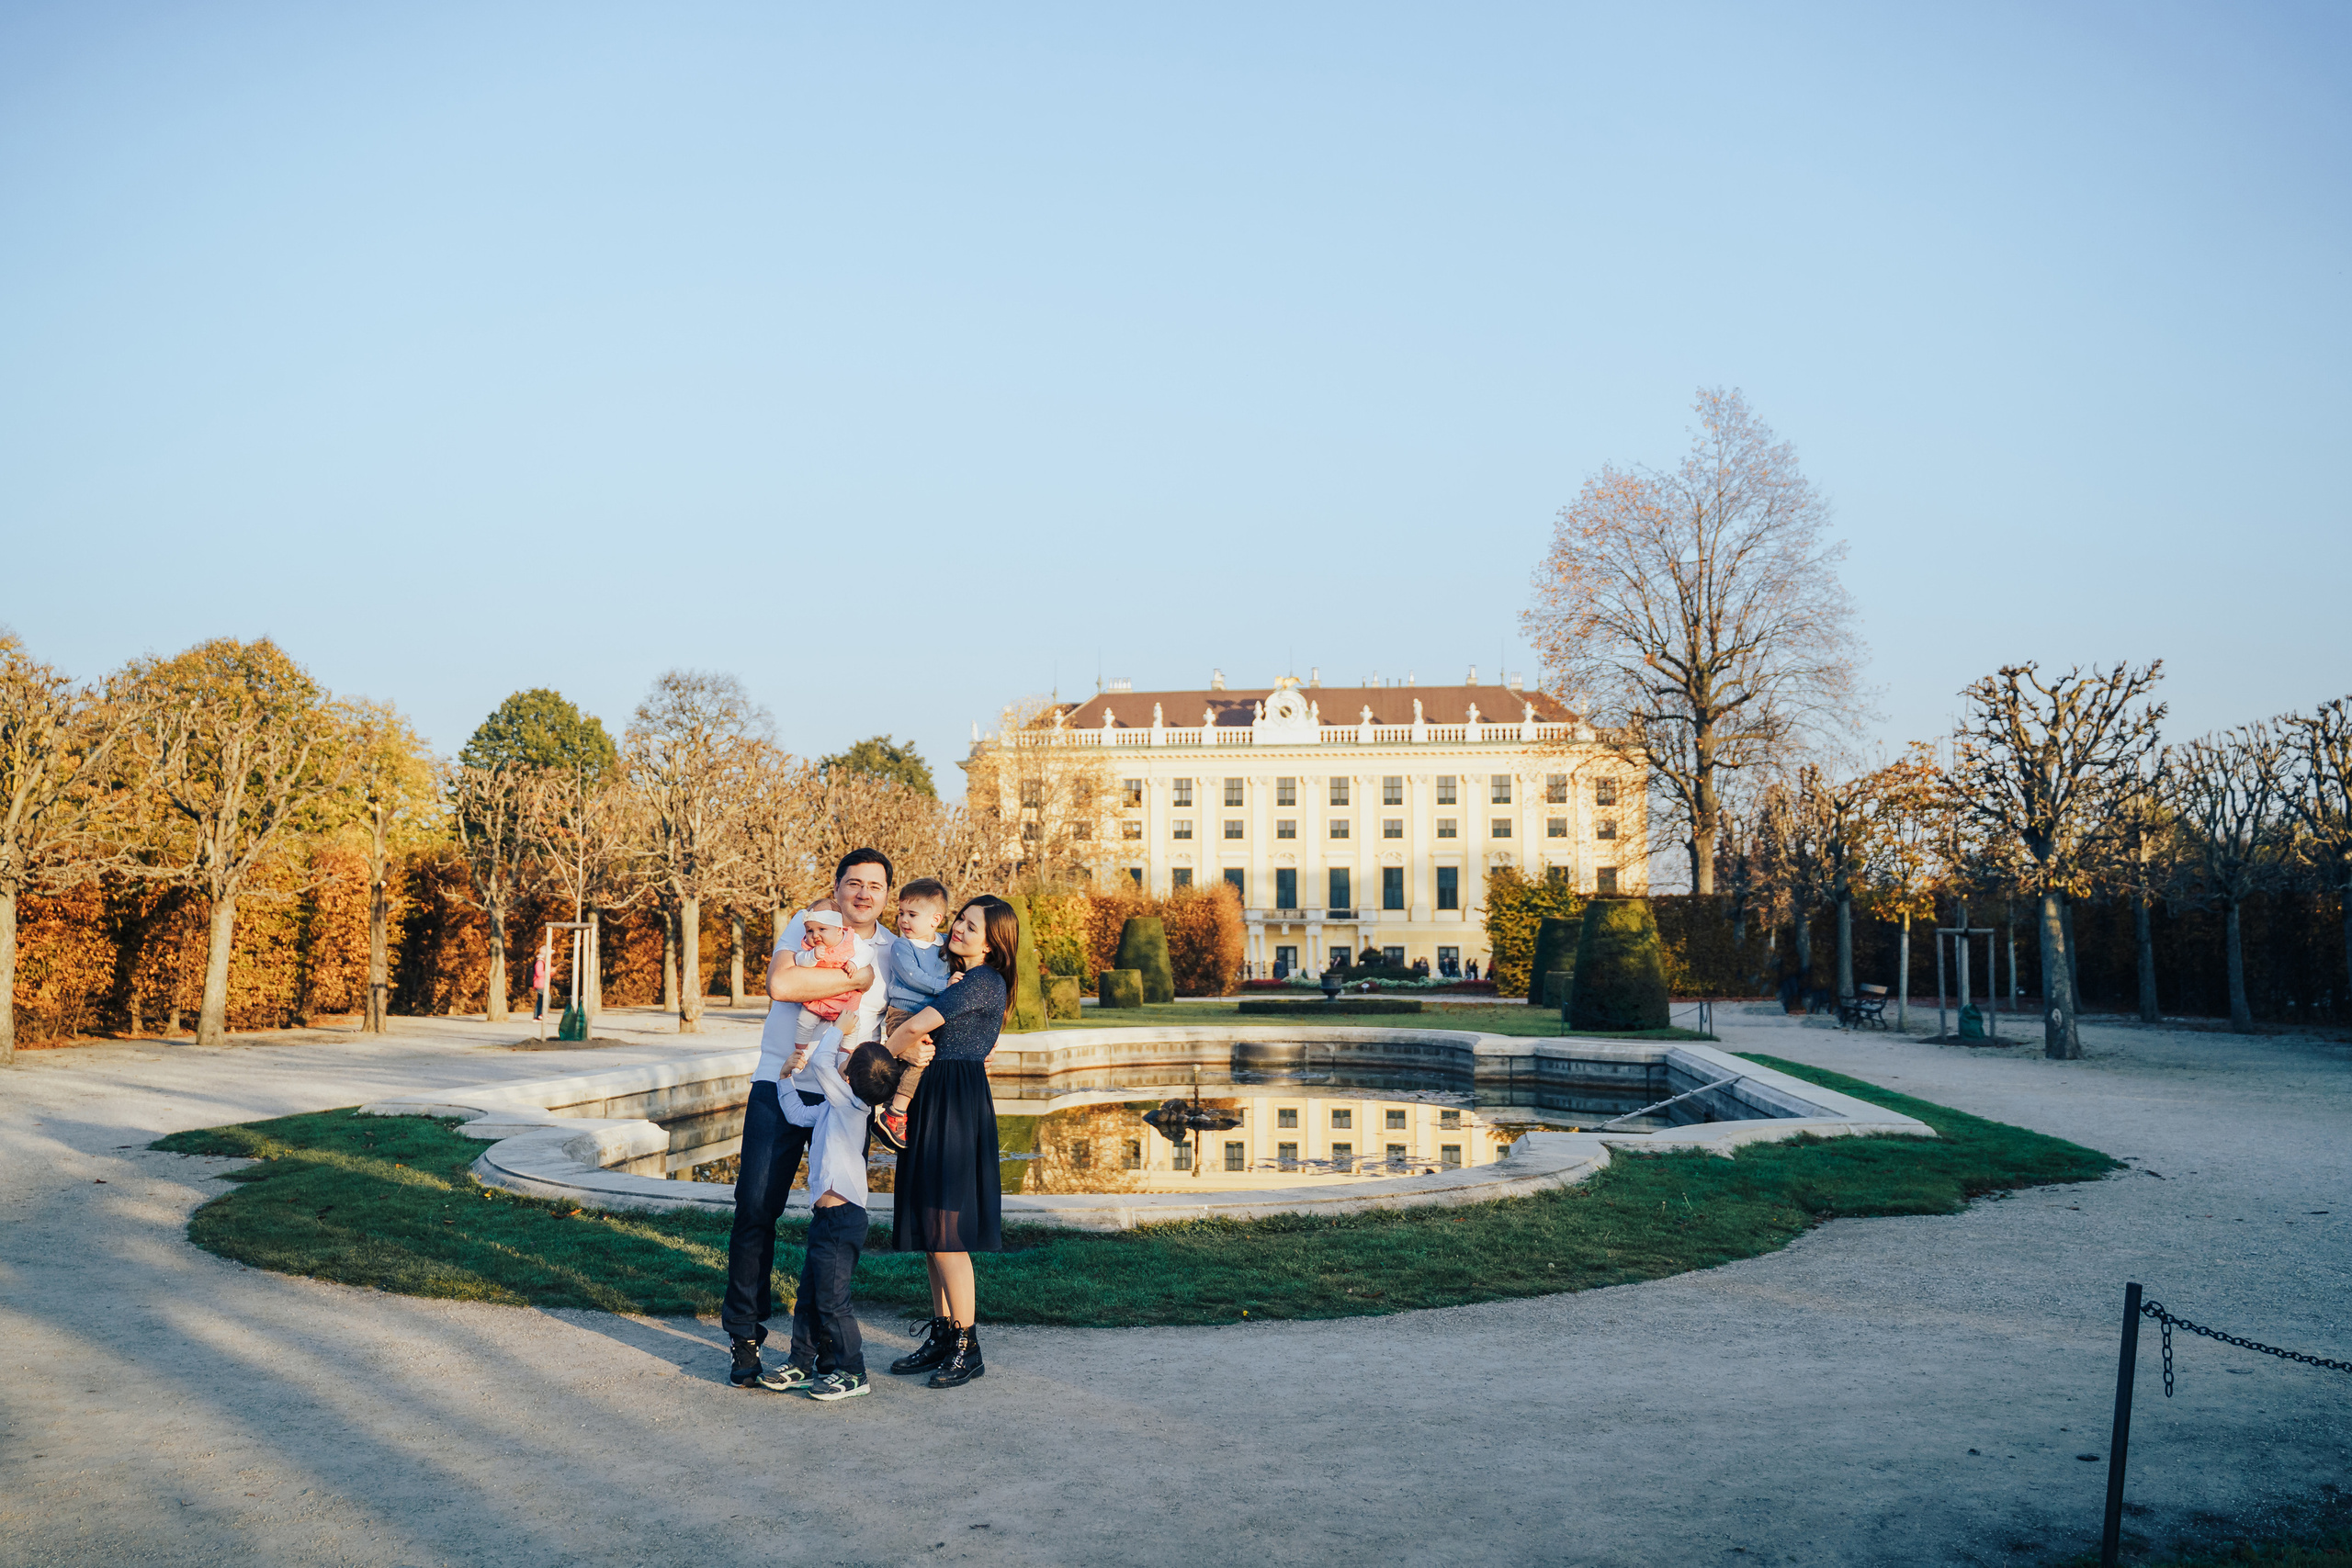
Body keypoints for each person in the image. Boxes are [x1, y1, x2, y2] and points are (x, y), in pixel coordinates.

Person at [722, 848, 895, 1390]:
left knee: (830, 1228)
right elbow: (782, 987)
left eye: (875, 885)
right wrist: (856, 983)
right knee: (754, 1210)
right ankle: (745, 1337)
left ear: (887, 894)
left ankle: (812, 1351)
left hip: (842, 1100)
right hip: (778, 1085)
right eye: (853, 883)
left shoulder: (895, 949)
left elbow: (929, 1004)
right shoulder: (808, 922)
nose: (864, 893)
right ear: (838, 887)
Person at [880, 895, 1015, 1390]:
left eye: (972, 925)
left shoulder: (982, 980)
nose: (959, 928)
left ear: (993, 940)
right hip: (935, 1097)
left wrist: (874, 1059)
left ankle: (967, 1345)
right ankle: (943, 1334)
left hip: (954, 1105)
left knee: (948, 1233)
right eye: (960, 919)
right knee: (932, 1230)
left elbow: (917, 1025)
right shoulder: (954, 974)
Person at [755, 1032, 904, 1403]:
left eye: (847, 1062)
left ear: (849, 1079)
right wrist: (785, 1079)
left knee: (834, 1302)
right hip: (826, 1222)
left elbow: (822, 1064)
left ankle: (854, 1372)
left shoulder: (851, 1105)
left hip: (843, 1222)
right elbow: (795, 1113)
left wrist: (840, 1025)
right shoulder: (833, 1108)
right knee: (809, 1296)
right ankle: (802, 1365)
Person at [876, 878, 954, 1149]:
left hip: (931, 1014)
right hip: (904, 1013)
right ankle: (894, 1112)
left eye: (912, 914)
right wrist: (944, 986)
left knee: (921, 1062)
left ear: (935, 919)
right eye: (901, 913)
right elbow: (913, 978)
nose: (903, 920)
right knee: (918, 1056)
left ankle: (895, 1106)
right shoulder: (902, 946)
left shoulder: (944, 945)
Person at [531, 948, 549, 1021]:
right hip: (540, 983)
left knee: (540, 999)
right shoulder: (540, 962)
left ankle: (536, 1016)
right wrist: (548, 972)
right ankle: (542, 1013)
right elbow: (539, 973)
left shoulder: (543, 962)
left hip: (542, 983)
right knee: (547, 997)